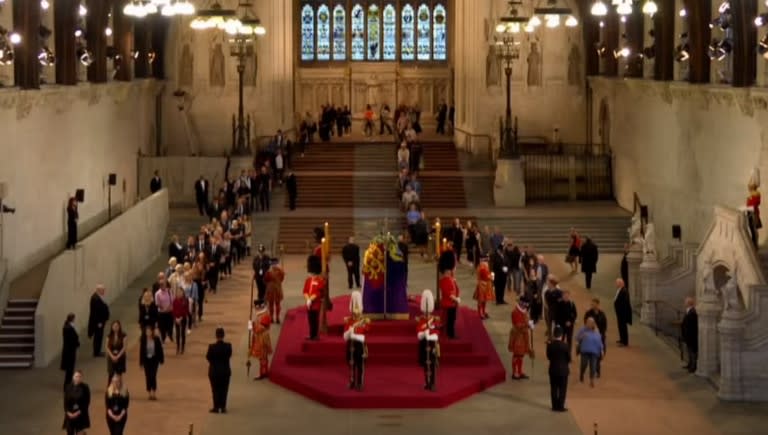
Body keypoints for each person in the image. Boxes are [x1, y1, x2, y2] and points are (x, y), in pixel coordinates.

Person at [344, 291, 370, 391]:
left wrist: (353, 332)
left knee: (360, 365)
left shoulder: (364, 321)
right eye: (354, 310)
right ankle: (352, 381)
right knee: (351, 364)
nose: (355, 312)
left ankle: (359, 382)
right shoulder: (348, 320)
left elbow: (364, 333)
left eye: (357, 310)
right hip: (350, 345)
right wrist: (349, 332)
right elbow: (345, 336)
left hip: (359, 345)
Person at [417, 289, 441, 391]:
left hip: (432, 345)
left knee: (432, 364)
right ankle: (427, 382)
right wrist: (424, 333)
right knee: (426, 365)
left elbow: (436, 332)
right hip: (423, 344)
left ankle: (433, 383)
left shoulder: (434, 320)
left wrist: (429, 332)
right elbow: (418, 333)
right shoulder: (421, 320)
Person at [207, 327, 233, 413]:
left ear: (216, 336)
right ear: (223, 335)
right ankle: (223, 407)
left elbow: (208, 357)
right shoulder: (228, 346)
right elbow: (229, 355)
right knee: (224, 389)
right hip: (225, 371)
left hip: (214, 371)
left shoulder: (211, 347)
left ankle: (216, 407)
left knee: (215, 390)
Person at [508, 297, 534, 380]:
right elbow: (518, 325)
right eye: (525, 304)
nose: (526, 306)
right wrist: (527, 325)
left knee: (521, 355)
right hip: (518, 336)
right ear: (522, 303)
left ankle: (520, 371)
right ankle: (514, 373)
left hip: (524, 335)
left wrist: (529, 324)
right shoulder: (515, 312)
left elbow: (525, 320)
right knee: (517, 354)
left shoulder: (524, 311)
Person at [546, 326, 570, 412]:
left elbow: (548, 357)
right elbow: (569, 358)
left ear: (554, 334)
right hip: (563, 370)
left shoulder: (550, 345)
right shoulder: (565, 346)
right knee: (562, 389)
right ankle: (561, 406)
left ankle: (554, 406)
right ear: (562, 335)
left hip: (553, 369)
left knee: (554, 388)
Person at [576, 317, 604, 387]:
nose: (589, 324)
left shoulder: (596, 331)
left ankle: (592, 380)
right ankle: (581, 374)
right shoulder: (583, 330)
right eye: (588, 322)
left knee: (593, 366)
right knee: (584, 364)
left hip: (594, 351)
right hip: (585, 350)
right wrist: (582, 336)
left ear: (593, 324)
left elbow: (600, 341)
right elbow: (577, 338)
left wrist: (601, 350)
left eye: (591, 323)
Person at [583, 297, 608, 377]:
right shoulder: (588, 314)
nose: (592, 306)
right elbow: (585, 324)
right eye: (591, 304)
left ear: (598, 305)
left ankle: (597, 368)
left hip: (600, 336)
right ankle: (595, 370)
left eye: (594, 304)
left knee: (600, 354)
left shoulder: (602, 314)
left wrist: (602, 334)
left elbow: (604, 325)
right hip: (591, 337)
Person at [438, 251, 460, 339]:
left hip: (452, 304)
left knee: (452, 319)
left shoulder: (449, 278)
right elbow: (449, 293)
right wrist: (456, 299)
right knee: (450, 320)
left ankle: (450, 332)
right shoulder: (446, 280)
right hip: (449, 304)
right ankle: (450, 334)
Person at [303, 255, 326, 340]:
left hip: (316, 304)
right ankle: (311, 335)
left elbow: (318, 293)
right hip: (309, 304)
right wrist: (307, 299)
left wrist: (310, 299)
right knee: (310, 320)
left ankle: (315, 335)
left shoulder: (320, 281)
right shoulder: (308, 280)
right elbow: (305, 291)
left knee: (315, 320)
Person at [139, 324, 164, 400]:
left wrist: (161, 359)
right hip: (146, 360)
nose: (148, 333)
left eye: (150, 331)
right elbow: (141, 352)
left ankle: (154, 392)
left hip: (154, 360)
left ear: (152, 332)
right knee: (148, 376)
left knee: (153, 375)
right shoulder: (143, 340)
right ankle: (149, 392)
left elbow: (160, 350)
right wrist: (141, 363)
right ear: (145, 332)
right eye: (147, 332)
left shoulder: (156, 339)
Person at [249, 301, 272, 381]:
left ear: (259, 306)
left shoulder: (265, 315)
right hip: (259, 336)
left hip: (262, 337)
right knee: (263, 356)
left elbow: (261, 328)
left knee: (262, 356)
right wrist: (250, 324)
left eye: (255, 306)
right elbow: (254, 324)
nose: (254, 308)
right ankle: (265, 371)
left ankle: (263, 373)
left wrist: (253, 328)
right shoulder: (259, 314)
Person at [63, 370, 91, 435]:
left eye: (79, 376)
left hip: (80, 415)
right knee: (69, 432)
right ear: (73, 377)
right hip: (70, 415)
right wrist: (68, 412)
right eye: (76, 376)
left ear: (81, 378)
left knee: (80, 433)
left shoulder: (85, 387)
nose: (77, 378)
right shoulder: (68, 387)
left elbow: (87, 402)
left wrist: (78, 412)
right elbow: (65, 402)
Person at [88, 284, 110, 357]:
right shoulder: (95, 298)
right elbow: (95, 312)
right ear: (98, 290)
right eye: (103, 290)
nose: (104, 291)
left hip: (101, 321)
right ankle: (96, 352)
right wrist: (99, 322)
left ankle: (98, 351)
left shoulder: (98, 297)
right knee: (98, 337)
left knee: (99, 336)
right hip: (98, 322)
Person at [554, 290, 577, 354]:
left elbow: (575, 315)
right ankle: (560, 353)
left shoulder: (572, 304)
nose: (566, 297)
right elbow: (556, 315)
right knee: (561, 339)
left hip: (569, 326)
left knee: (569, 340)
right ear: (562, 296)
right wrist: (557, 325)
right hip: (561, 325)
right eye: (565, 296)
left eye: (567, 296)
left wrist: (570, 322)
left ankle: (568, 354)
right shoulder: (559, 304)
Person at [61, 313, 80, 388]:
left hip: (69, 351)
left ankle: (68, 384)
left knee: (70, 369)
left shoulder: (67, 327)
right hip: (69, 352)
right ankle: (67, 385)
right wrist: (77, 344)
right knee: (69, 369)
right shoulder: (68, 328)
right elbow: (72, 339)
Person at [264, 258, 285, 323]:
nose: (274, 265)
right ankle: (275, 317)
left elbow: (265, 280)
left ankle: (274, 317)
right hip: (276, 288)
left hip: (271, 288)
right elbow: (282, 279)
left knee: (274, 304)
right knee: (275, 304)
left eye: (274, 264)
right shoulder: (280, 271)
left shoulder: (269, 272)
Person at [473, 254, 494, 319]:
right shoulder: (483, 266)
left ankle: (483, 312)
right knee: (481, 300)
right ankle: (480, 313)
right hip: (483, 285)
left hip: (484, 284)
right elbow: (486, 276)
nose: (487, 260)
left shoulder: (483, 265)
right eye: (486, 258)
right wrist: (492, 276)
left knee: (484, 300)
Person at [681, 297, 698, 373]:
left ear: (689, 303)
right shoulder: (689, 311)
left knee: (692, 351)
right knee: (689, 350)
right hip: (687, 334)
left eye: (685, 302)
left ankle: (693, 366)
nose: (684, 303)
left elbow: (692, 325)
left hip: (691, 335)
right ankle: (690, 364)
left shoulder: (693, 312)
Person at [613, 278, 632, 346]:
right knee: (620, 326)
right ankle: (621, 339)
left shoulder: (624, 291)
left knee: (623, 327)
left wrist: (621, 310)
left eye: (617, 283)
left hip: (623, 313)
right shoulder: (620, 290)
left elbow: (624, 303)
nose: (616, 284)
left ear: (621, 283)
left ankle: (625, 341)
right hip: (619, 312)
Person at [172, 287, 190, 354]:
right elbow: (173, 311)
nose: (179, 293)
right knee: (177, 334)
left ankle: (182, 348)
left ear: (183, 293)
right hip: (176, 319)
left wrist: (181, 318)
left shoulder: (185, 300)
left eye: (180, 292)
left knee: (182, 333)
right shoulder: (174, 301)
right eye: (177, 292)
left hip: (183, 319)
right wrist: (176, 318)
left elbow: (186, 310)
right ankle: (178, 347)